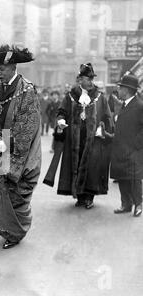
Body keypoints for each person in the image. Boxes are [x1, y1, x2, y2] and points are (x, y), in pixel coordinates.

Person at [0, 45, 41, 249]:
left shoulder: (27, 90)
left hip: (20, 153)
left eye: (2, 69)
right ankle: (9, 230)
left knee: (16, 193)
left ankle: (16, 233)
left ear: (13, 67)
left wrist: (7, 142)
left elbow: (29, 124)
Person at [44, 63, 113, 209]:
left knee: (92, 166)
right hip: (74, 138)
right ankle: (80, 196)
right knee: (75, 165)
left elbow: (107, 117)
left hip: (94, 139)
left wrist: (103, 128)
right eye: (87, 78)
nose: (90, 81)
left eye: (91, 78)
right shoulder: (71, 96)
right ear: (80, 79)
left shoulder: (100, 97)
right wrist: (61, 120)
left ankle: (89, 197)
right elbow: (61, 111)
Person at [110, 74, 143, 217]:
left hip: (134, 150)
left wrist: (136, 144)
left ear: (127, 90)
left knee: (135, 179)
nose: (118, 90)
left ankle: (138, 204)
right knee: (122, 176)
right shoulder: (124, 104)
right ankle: (126, 204)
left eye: (120, 87)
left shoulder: (139, 106)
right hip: (121, 148)